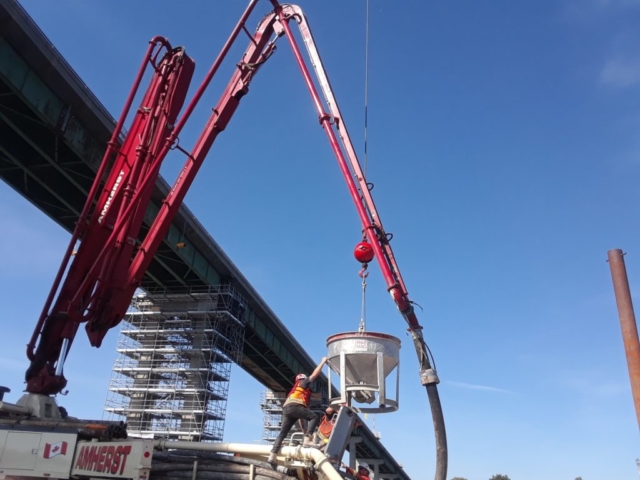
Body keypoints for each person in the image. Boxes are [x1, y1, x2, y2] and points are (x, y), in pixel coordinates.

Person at [268, 357, 328, 464]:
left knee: (282, 434)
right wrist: (323, 362)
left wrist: (305, 431)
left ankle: (272, 455)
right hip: (295, 407)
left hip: (287, 409)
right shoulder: (303, 383)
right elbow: (314, 375)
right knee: (314, 417)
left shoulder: (295, 392)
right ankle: (307, 440)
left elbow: (301, 415)